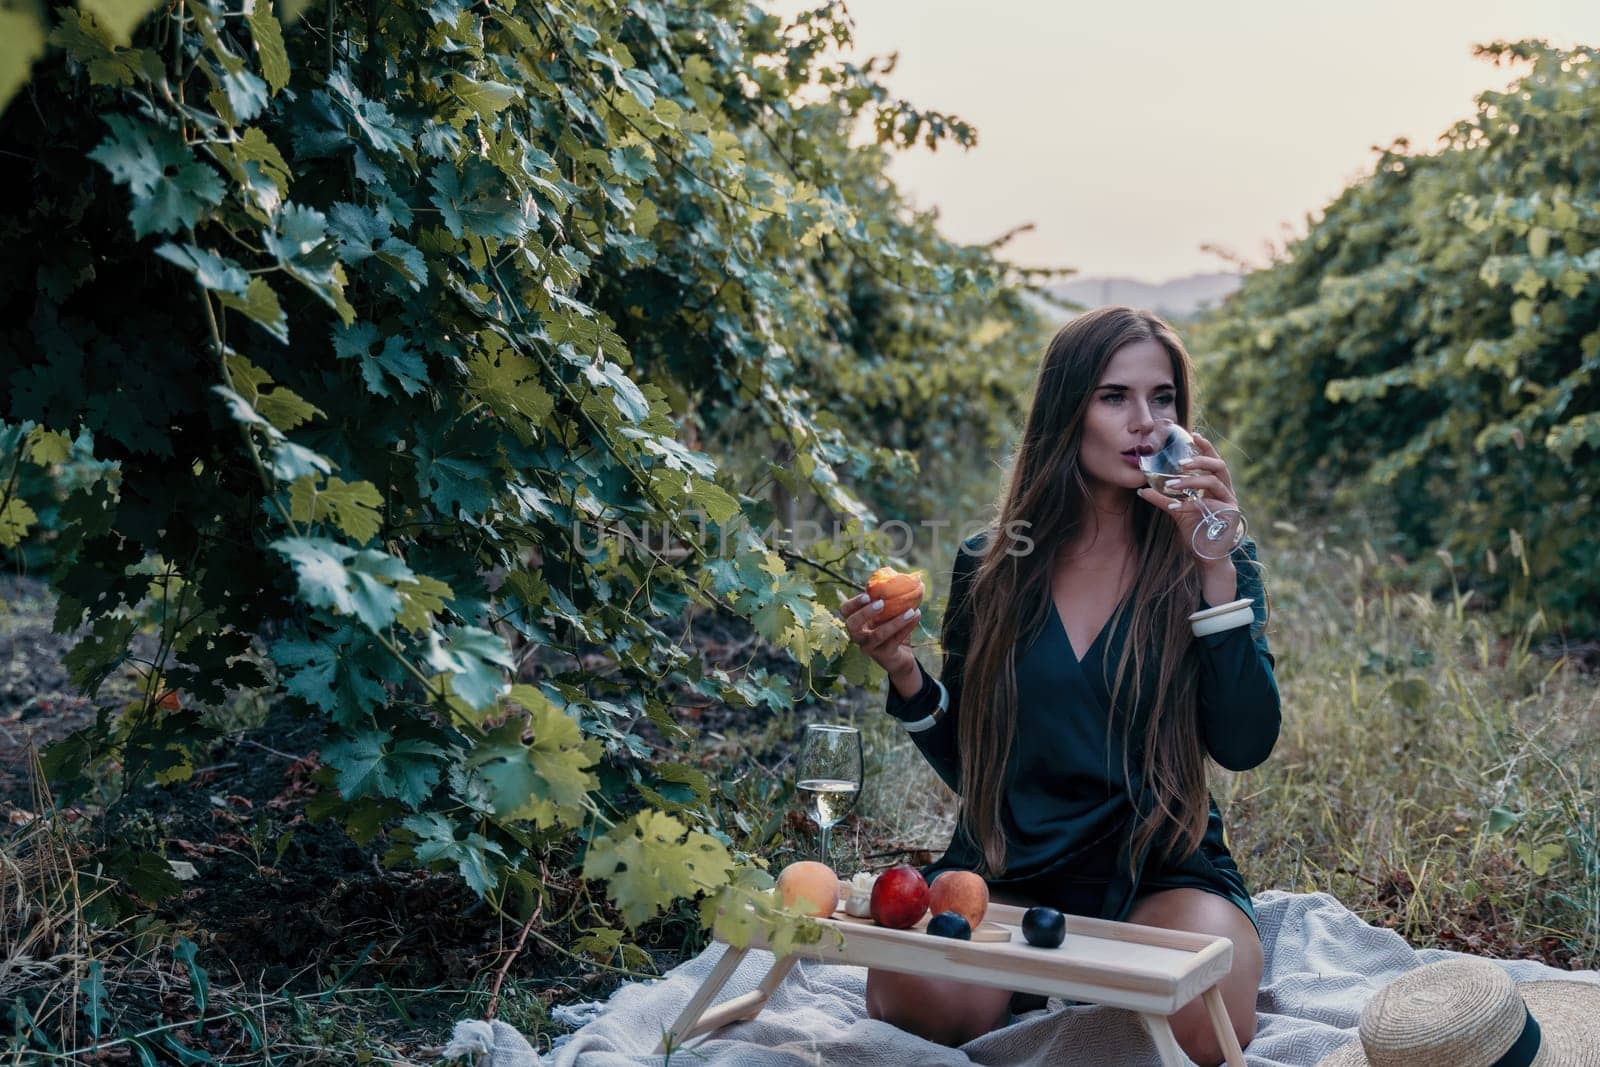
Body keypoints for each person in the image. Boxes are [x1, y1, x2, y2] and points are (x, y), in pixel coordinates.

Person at [838, 305, 1280, 1065]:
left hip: (1160, 870)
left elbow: (1243, 744)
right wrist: (907, 674)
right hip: (1010, 867)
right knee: (909, 1000)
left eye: (1163, 397)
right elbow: (980, 768)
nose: (1144, 420)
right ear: (1066, 410)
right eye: (1114, 396)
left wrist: (1214, 565)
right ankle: (1043, 989)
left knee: (1206, 1022)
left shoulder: (1213, 562)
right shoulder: (992, 563)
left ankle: (1051, 992)